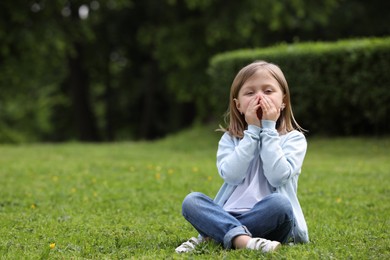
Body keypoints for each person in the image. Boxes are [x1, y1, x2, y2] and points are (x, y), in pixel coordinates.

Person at [175, 61, 309, 254]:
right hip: (228, 214)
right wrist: (253, 131)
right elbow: (231, 175)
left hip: (269, 218)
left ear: (284, 101)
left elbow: (277, 177)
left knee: (280, 204)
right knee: (192, 201)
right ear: (238, 105)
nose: (260, 97)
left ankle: (213, 236)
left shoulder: (293, 139)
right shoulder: (230, 139)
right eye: (250, 93)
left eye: (268, 91)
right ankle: (245, 241)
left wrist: (269, 130)